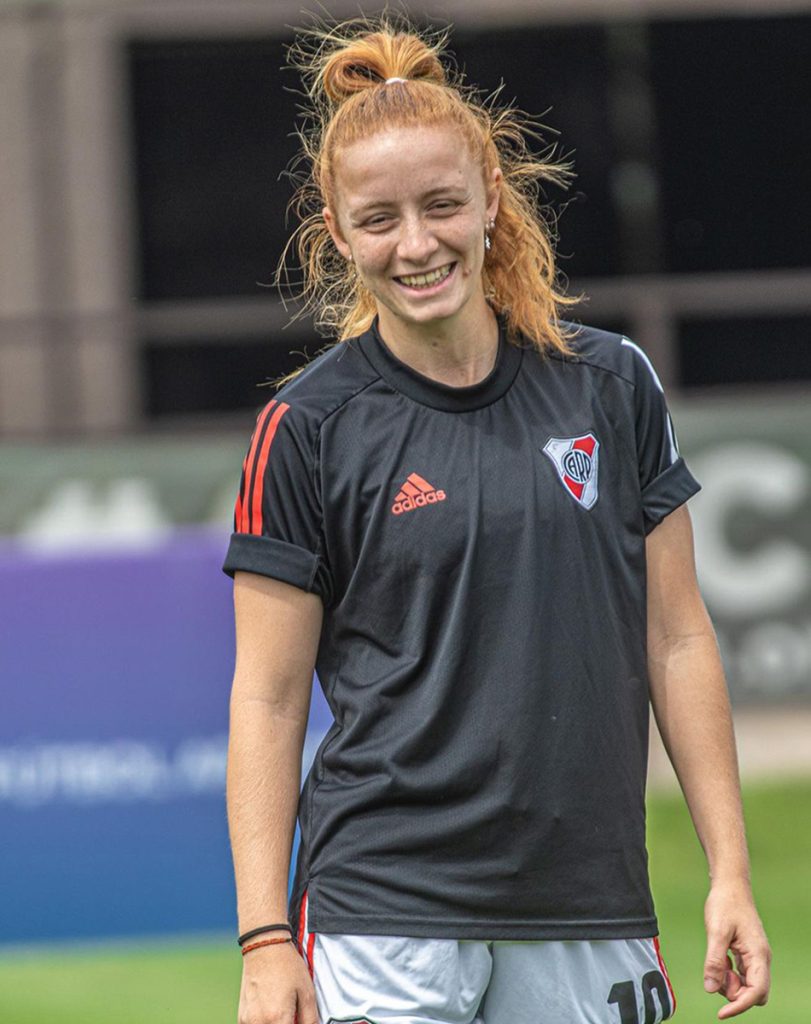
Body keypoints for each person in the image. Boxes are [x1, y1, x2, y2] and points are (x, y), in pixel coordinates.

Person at [223, 17, 771, 1024]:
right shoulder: (303, 428)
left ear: (490, 203)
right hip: (380, 913)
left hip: (587, 902)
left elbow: (677, 635)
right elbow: (267, 699)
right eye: (378, 219)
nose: (416, 243)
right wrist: (265, 939)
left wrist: (728, 868)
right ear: (338, 233)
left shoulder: (610, 385)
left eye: (440, 207)